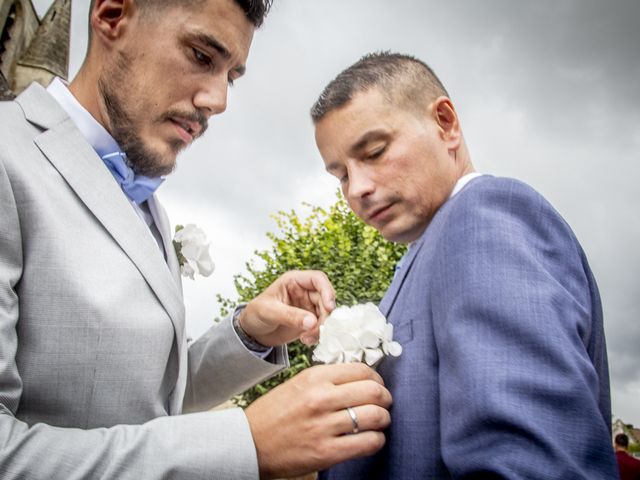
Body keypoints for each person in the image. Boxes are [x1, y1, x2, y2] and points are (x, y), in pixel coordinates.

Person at [0, 1, 392, 479]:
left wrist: (247, 333)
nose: (218, 101)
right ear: (111, 16)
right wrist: (244, 445)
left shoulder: (149, 207)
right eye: (203, 57)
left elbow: (151, 399)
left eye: (231, 76)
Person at [311, 52, 618, 479]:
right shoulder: (429, 250)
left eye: (375, 152)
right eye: (341, 175)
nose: (357, 189)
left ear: (445, 123)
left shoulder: (485, 217)